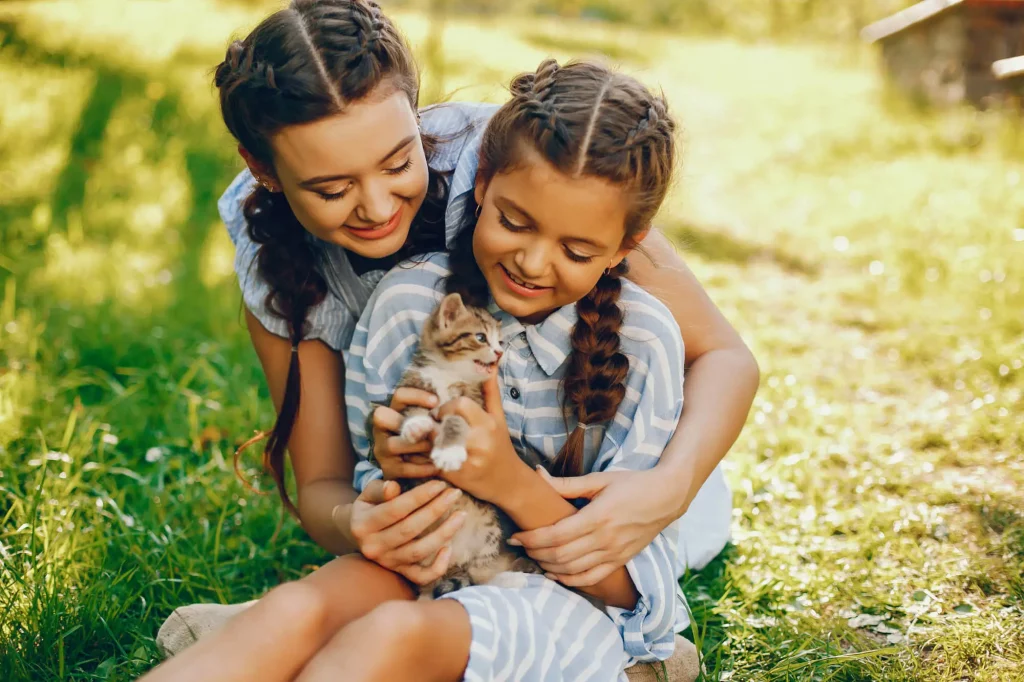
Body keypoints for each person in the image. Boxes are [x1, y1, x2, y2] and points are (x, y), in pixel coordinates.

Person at [155, 0, 757, 672]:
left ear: (419, 121)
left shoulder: (532, 175)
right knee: (315, 611)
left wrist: (668, 489)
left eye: (396, 162)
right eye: (330, 188)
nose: (379, 207)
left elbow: (726, 356)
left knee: (406, 629)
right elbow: (324, 483)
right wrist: (363, 519)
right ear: (262, 169)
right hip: (450, 514)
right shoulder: (287, 267)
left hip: (610, 486)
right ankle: (327, 621)